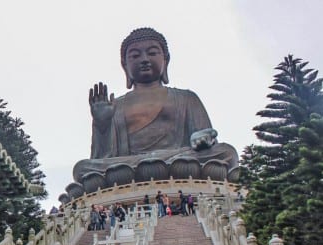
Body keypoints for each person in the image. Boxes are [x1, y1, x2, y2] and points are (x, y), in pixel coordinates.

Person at [72, 27, 239, 187]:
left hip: (180, 158)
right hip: (129, 165)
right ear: (125, 65)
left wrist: (203, 139)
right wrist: (102, 125)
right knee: (82, 168)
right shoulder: (116, 105)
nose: (144, 59)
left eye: (152, 53)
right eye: (135, 56)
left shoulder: (186, 98)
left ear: (165, 60)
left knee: (227, 153)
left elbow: (205, 138)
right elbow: (101, 157)